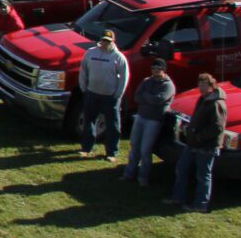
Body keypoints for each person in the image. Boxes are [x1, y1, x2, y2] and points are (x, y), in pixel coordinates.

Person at [170, 72, 227, 213]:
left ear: (211, 86)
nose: (201, 88)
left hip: (206, 146)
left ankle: (201, 204)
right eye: (199, 85)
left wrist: (200, 136)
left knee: (203, 176)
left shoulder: (216, 103)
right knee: (181, 167)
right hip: (193, 143)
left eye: (204, 85)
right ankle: (178, 197)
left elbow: (218, 128)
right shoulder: (203, 99)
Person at [76, 29, 130, 161]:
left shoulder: (118, 57)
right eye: (104, 40)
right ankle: (86, 148)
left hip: (110, 97)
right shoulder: (90, 53)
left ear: (113, 42)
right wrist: (84, 88)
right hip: (92, 93)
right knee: (89, 121)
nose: (105, 43)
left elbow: (124, 77)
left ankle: (112, 153)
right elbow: (83, 71)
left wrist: (118, 94)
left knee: (113, 125)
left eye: (108, 41)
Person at [125, 63, 177, 186]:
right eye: (153, 68)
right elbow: (137, 96)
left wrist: (146, 96)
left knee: (145, 150)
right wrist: (149, 98)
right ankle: (129, 174)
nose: (155, 70)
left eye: (158, 68)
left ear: (164, 70)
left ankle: (143, 178)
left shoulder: (168, 86)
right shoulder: (146, 81)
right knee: (134, 146)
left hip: (154, 121)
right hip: (141, 117)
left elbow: (158, 100)